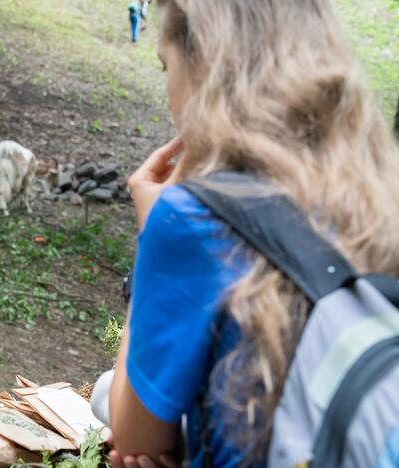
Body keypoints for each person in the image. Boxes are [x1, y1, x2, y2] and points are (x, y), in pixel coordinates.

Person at [106, 0, 399, 466]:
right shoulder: (380, 190)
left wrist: (150, 232)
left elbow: (135, 436)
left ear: (203, 68)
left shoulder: (193, 217)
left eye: (168, 66)